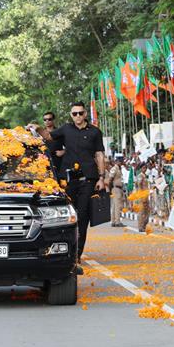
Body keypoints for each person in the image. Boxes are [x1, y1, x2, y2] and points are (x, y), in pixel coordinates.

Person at [31, 102, 105, 262]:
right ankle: (64, 251)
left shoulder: (95, 132)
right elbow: (49, 136)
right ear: (71, 115)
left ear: (85, 114)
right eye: (74, 113)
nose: (77, 116)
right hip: (67, 179)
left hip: (88, 178)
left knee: (83, 216)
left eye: (80, 113)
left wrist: (102, 177)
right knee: (66, 214)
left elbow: (99, 154)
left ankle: (77, 255)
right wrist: (38, 128)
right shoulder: (66, 129)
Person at [42, 111, 64, 176]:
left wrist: (63, 151)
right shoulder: (40, 133)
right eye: (45, 120)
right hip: (44, 163)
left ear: (53, 120)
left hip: (58, 162)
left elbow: (70, 144)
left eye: (49, 119)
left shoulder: (60, 132)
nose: (47, 121)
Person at [107, 156, 125, 227]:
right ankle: (117, 222)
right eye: (120, 161)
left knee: (115, 205)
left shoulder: (119, 169)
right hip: (116, 188)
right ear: (117, 161)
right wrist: (110, 188)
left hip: (118, 188)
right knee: (117, 205)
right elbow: (110, 179)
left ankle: (113, 221)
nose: (121, 162)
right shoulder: (114, 168)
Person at [135, 166, 151, 233]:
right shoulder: (140, 176)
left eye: (145, 168)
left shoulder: (145, 176)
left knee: (146, 212)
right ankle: (141, 227)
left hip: (146, 196)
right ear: (141, 168)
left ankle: (144, 226)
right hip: (142, 196)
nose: (145, 169)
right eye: (144, 168)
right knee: (141, 212)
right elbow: (138, 184)